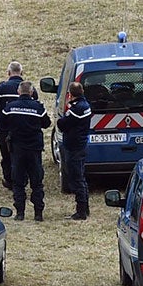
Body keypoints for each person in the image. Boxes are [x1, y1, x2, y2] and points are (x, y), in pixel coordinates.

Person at [2, 80, 51, 220]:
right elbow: (46, 124)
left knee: (18, 182)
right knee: (37, 182)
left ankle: (20, 213)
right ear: (31, 92)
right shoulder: (38, 107)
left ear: (18, 92)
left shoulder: (10, 107)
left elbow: (2, 124)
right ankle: (38, 213)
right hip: (34, 150)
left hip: (17, 150)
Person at [57, 82, 93, 219]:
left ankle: (81, 211)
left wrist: (67, 109)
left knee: (77, 179)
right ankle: (85, 208)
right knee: (81, 178)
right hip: (81, 145)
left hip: (74, 147)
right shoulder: (85, 106)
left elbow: (62, 124)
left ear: (70, 94)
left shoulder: (76, 109)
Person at [0, 63, 23, 189]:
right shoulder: (29, 89)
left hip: (5, 129)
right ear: (21, 73)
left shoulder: (1, 89)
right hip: (24, 131)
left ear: (8, 73)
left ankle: (9, 180)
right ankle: (22, 178)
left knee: (6, 155)